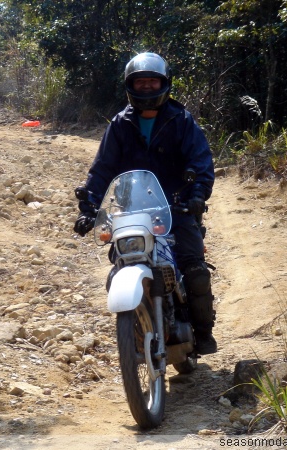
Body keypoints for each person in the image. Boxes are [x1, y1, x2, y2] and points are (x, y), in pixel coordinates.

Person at [73, 52, 217, 355]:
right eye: (141, 82)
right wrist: (88, 208)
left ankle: (203, 333)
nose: (147, 88)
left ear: (164, 84)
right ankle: (136, 324)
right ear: (131, 86)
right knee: (120, 263)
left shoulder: (182, 120)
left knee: (195, 269)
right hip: (133, 211)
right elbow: (102, 169)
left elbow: (201, 161)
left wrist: (197, 195)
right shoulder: (120, 124)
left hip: (176, 208)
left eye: (153, 81)